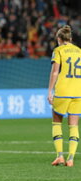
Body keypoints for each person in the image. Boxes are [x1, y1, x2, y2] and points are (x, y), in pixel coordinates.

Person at [47, 25, 81, 167]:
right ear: (71, 39)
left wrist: (50, 91)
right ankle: (71, 158)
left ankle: (60, 156)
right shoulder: (79, 51)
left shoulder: (58, 50)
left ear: (59, 39)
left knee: (57, 122)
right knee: (74, 125)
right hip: (78, 92)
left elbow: (55, 72)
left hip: (63, 91)